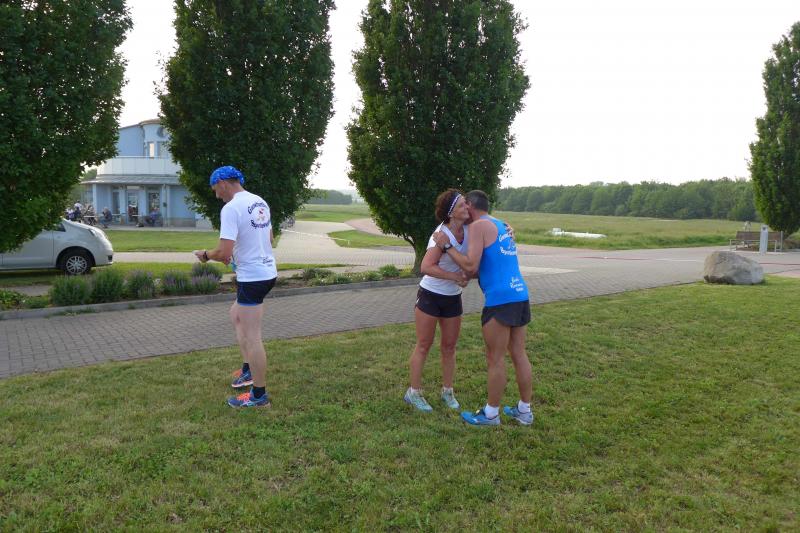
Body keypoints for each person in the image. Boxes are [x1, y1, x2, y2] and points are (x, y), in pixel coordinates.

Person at [433, 190, 534, 426]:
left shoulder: (479, 226)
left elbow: (470, 265)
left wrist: (447, 246)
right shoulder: (501, 225)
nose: (462, 209)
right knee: (519, 354)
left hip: (500, 299)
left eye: (463, 205)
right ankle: (524, 411)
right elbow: (489, 265)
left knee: (495, 358)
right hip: (520, 294)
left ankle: (490, 414)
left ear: (470, 205)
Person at [193, 165, 278, 408]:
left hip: (253, 278)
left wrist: (206, 255)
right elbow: (269, 238)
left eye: (215, 189)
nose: (216, 195)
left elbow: (223, 252)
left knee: (253, 337)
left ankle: (259, 396)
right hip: (266, 272)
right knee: (236, 315)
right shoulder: (259, 201)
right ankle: (248, 369)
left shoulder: (231, 208)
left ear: (223, 183)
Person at [404, 189, 470, 412]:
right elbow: (426, 267)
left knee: (449, 347)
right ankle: (413, 393)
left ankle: (447, 391)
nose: (467, 207)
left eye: (466, 203)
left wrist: (509, 228)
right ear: (451, 213)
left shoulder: (469, 229)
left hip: (453, 298)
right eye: (462, 205)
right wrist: (454, 276)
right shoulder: (441, 235)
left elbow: (491, 226)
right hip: (430, 295)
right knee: (424, 345)